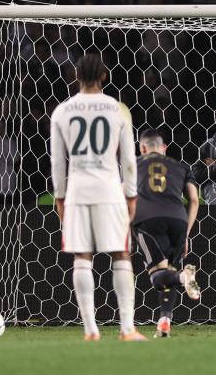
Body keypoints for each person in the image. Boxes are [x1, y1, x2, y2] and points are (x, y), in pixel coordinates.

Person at [50, 53, 145, 341]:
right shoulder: (117, 109)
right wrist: (131, 193)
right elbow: (128, 157)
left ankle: (90, 330)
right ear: (104, 75)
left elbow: (57, 161)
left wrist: (60, 196)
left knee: (82, 256)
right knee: (121, 253)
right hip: (109, 188)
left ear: (75, 77)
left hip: (78, 189)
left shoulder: (62, 111)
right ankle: (127, 329)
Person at [132, 129, 201, 338]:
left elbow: (123, 196)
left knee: (157, 277)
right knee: (168, 273)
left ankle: (183, 276)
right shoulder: (181, 166)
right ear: (163, 149)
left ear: (143, 148)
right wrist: (187, 233)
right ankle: (164, 323)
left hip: (148, 220)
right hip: (179, 221)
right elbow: (195, 200)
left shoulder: (133, 164)